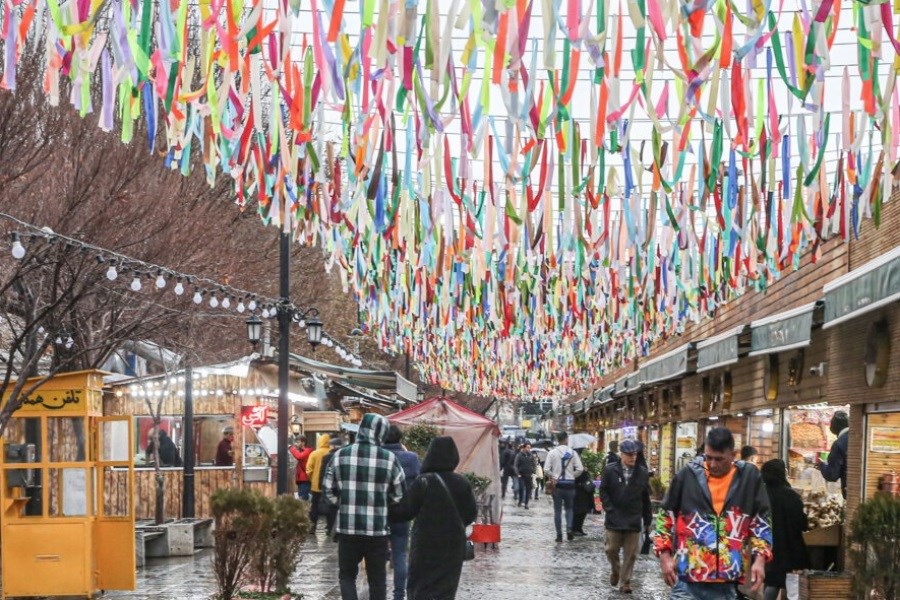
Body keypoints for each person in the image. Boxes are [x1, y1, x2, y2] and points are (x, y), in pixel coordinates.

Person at [655, 427, 772, 600]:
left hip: (726, 581)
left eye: (719, 459)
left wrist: (760, 559)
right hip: (688, 578)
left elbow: (761, 521)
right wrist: (664, 556)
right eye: (708, 457)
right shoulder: (687, 475)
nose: (713, 464)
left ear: (733, 454)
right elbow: (665, 515)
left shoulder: (749, 478)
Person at [324, 414, 405, 600]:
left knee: (347, 577)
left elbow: (328, 490)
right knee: (377, 580)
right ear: (381, 433)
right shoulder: (390, 459)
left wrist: (343, 504)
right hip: (377, 531)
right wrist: (383, 504)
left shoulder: (340, 455)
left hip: (347, 529)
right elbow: (399, 494)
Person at [390, 437, 477, 600]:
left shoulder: (423, 482)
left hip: (425, 545)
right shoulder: (462, 483)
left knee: (421, 588)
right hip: (453, 545)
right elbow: (471, 513)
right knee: (445, 589)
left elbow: (404, 512)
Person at [599, 439, 652, 594]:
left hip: (633, 517)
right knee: (611, 549)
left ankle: (625, 582)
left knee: (631, 554)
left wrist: (647, 519)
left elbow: (645, 497)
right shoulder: (610, 470)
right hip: (614, 517)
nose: (632, 457)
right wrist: (609, 508)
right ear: (621, 454)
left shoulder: (642, 472)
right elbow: (603, 490)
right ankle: (616, 570)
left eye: (634, 454)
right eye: (629, 454)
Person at [760, 459, 811, 600]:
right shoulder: (791, 496)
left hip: (768, 548)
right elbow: (802, 523)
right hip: (791, 549)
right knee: (792, 586)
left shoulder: (761, 495)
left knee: (771, 583)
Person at [383, 425, 422, 600]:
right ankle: (399, 594)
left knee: (377, 554)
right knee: (400, 554)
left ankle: (378, 591)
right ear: (400, 439)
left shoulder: (379, 457)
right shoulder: (411, 458)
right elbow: (419, 482)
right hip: (402, 512)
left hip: (379, 512)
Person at [544, 432, 585, 542]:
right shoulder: (573, 453)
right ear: (566, 439)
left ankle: (559, 535)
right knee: (569, 509)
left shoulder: (552, 453)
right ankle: (569, 529)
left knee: (557, 510)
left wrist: (553, 477)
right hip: (570, 485)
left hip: (557, 485)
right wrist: (572, 476)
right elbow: (580, 469)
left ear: (557, 440)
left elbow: (546, 469)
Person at [817, 410, 849, 498]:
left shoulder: (839, 444)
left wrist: (821, 464)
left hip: (850, 493)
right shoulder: (858, 435)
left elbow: (832, 475)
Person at [305, 434, 332, 533]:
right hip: (329, 485)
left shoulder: (314, 454)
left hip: (315, 485)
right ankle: (329, 527)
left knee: (314, 506)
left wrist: (312, 479)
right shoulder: (332, 453)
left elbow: (308, 469)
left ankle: (313, 526)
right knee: (330, 505)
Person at [318, 437, 344, 536]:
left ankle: (330, 528)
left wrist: (321, 487)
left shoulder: (327, 457)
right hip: (341, 486)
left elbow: (323, 473)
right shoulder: (343, 456)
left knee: (331, 508)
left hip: (330, 486)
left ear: (332, 446)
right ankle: (338, 528)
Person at [571, 463, 594, 537]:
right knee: (578, 512)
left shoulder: (580, 465)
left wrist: (585, 470)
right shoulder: (572, 467)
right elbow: (576, 478)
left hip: (585, 493)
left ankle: (579, 528)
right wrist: (583, 471)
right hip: (578, 493)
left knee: (583, 512)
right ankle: (575, 529)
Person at [289, 435, 313, 501]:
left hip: (305, 479)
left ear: (303, 443)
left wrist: (292, 448)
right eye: (296, 442)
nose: (296, 443)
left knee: (303, 499)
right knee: (302, 497)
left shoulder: (307, 450)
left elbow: (299, 456)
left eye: (298, 442)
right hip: (301, 479)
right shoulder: (302, 450)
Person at [514, 442, 535, 509]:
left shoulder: (531, 455)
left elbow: (534, 464)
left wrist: (533, 471)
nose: (529, 449)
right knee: (521, 488)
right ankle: (520, 501)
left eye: (530, 447)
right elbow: (515, 465)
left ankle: (526, 503)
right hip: (521, 475)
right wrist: (518, 473)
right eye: (527, 447)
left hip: (529, 475)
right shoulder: (519, 455)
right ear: (524, 447)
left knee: (528, 490)